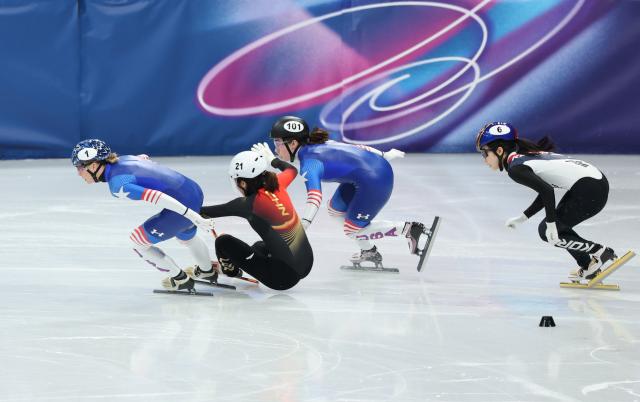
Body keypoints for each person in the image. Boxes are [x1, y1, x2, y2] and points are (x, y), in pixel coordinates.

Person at [268, 115, 439, 269]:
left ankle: (409, 230)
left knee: (352, 229)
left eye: (277, 143)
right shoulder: (316, 144)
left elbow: (314, 197)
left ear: (292, 143)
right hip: (366, 174)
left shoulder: (309, 164)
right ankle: (369, 251)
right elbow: (357, 147)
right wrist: (384, 155)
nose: (276, 148)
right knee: (335, 210)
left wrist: (303, 225)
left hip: (376, 180)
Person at [476, 122, 617, 281]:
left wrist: (550, 224)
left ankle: (600, 251)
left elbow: (547, 191)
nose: (484, 160)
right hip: (592, 183)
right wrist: (523, 218)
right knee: (557, 229)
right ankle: (588, 265)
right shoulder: (523, 157)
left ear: (499, 150)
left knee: (548, 231)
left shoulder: (515, 168)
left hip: (590, 188)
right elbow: (545, 191)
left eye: (485, 154)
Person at [72, 139, 216, 291]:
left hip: (182, 204)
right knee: (186, 236)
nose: (78, 173)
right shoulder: (124, 158)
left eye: (80, 167)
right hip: (193, 190)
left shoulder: (118, 184)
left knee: (138, 243)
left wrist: (193, 216)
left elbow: (157, 196)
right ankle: (207, 271)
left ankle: (180, 279)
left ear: (94, 165)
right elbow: (144, 158)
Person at [193, 144, 313, 290]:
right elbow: (292, 170)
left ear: (243, 182)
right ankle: (239, 262)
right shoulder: (277, 184)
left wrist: (171, 202)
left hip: (282, 278)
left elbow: (200, 212)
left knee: (223, 242)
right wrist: (273, 160)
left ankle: (230, 270)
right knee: (259, 246)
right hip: (307, 263)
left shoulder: (248, 204)